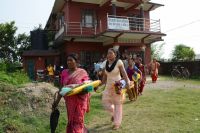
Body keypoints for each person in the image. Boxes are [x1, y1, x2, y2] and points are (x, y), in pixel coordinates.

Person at [52, 54, 91, 133]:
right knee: (71, 121)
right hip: (70, 102)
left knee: (78, 122)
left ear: (76, 62)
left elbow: (89, 87)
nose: (69, 62)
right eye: (67, 60)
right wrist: (56, 102)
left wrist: (78, 88)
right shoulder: (64, 72)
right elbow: (62, 89)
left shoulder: (82, 72)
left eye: (71, 60)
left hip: (80, 102)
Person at [100, 48, 130, 130]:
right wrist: (100, 84)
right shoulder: (105, 63)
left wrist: (127, 82)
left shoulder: (119, 62)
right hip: (108, 87)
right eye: (108, 53)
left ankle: (117, 123)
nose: (108, 55)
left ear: (115, 54)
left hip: (117, 86)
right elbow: (105, 76)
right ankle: (113, 114)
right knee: (105, 103)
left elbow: (123, 72)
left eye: (110, 53)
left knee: (118, 105)